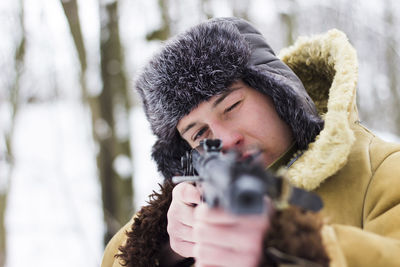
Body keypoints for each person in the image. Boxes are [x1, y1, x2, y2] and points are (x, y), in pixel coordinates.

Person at [101, 17, 400, 267]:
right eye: (200, 134)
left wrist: (289, 242)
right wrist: (165, 246)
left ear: (275, 90)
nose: (227, 140)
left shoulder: (383, 171)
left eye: (231, 107)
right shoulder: (195, 204)